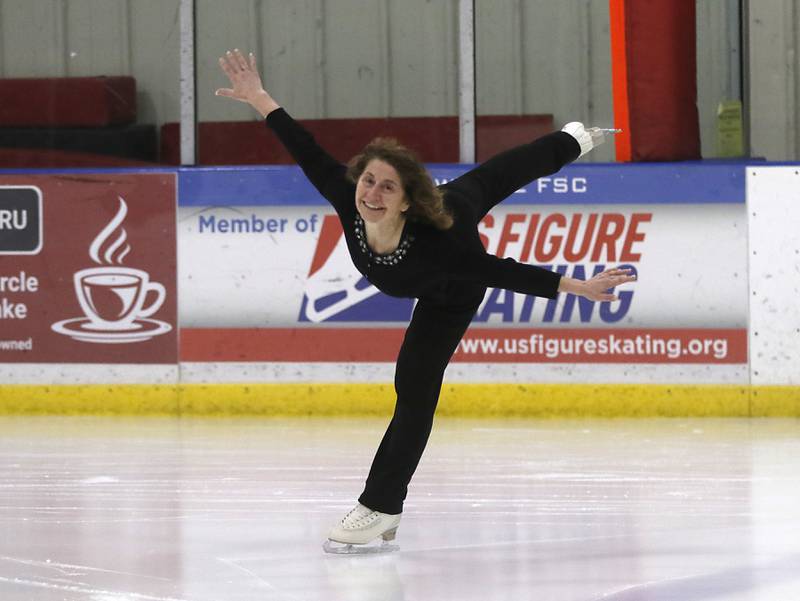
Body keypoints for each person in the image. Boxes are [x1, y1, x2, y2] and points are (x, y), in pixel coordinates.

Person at [216, 49, 635, 553]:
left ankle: (379, 508)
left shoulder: (445, 244)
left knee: (415, 390)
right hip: (433, 248)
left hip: (450, 293)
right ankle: (571, 137)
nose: (371, 193)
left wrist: (580, 287)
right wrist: (260, 98)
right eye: (369, 180)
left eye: (386, 187)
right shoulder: (347, 197)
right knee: (486, 181)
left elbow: (500, 270)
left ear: (406, 200)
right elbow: (305, 148)